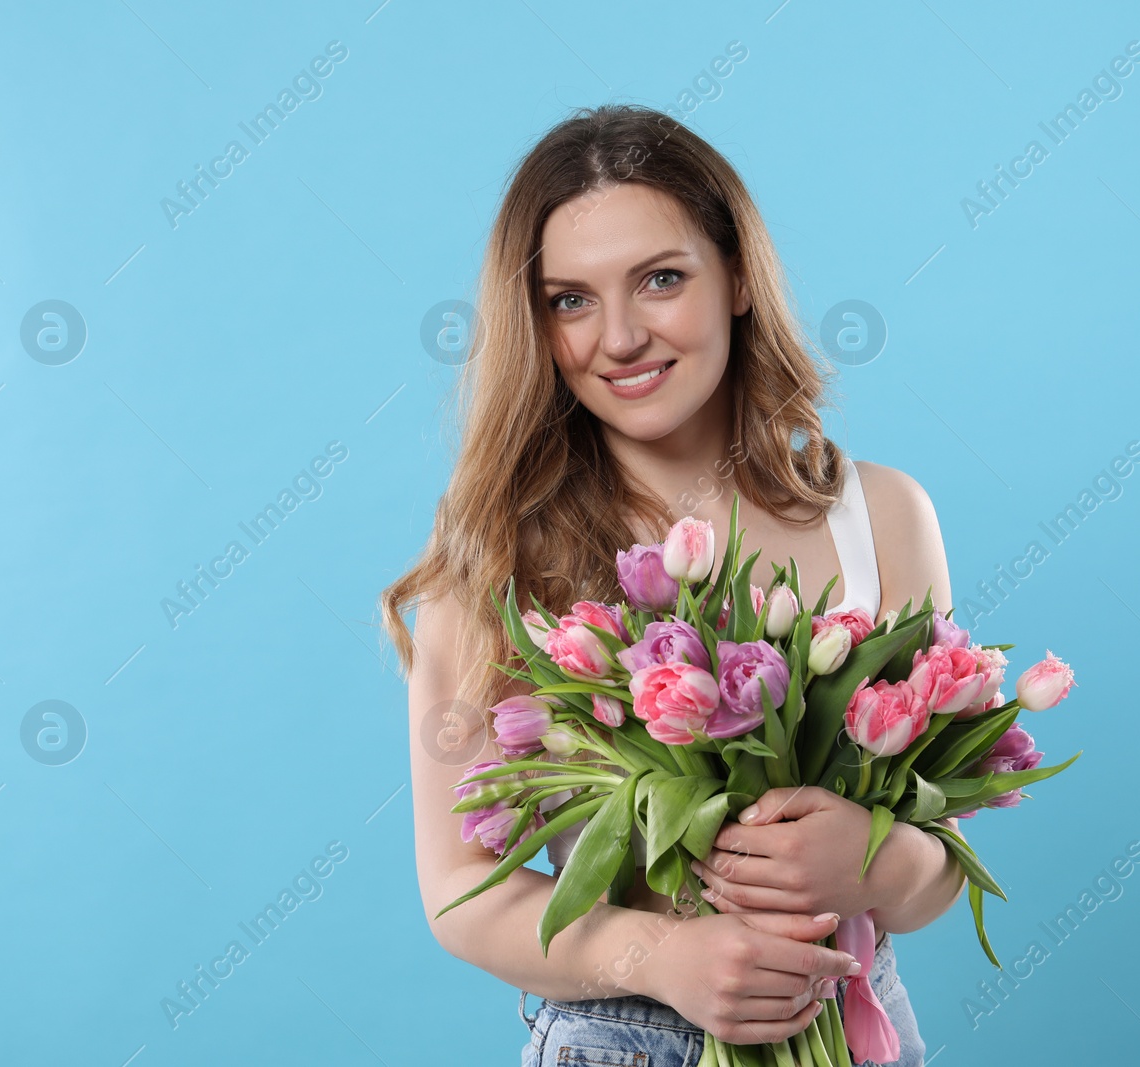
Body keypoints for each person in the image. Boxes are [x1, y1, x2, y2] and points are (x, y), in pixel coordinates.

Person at [382, 103, 965, 1067]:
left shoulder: (883, 517)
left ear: (737, 276)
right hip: (623, 1039)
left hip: (860, 1020)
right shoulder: (499, 551)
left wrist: (874, 851)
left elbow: (937, 874)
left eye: (660, 279)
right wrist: (660, 955)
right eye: (570, 299)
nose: (618, 337)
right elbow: (459, 888)